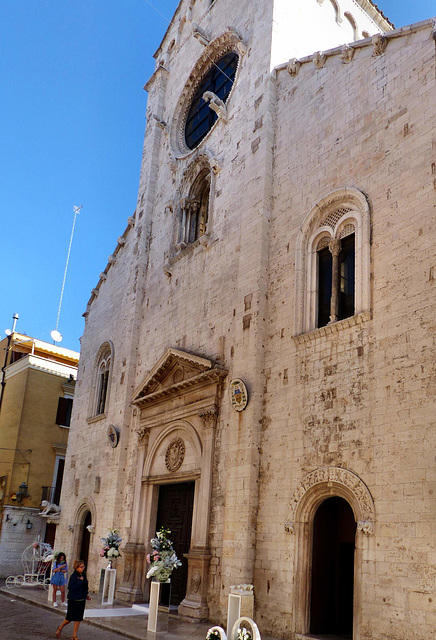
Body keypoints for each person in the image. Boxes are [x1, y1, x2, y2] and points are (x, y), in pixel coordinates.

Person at [55, 560, 91, 639]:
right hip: (73, 599)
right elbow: (71, 587)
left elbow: (85, 585)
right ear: (77, 567)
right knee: (70, 618)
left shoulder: (83, 575)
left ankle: (74, 635)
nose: (83, 568)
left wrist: (87, 594)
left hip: (81, 599)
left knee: (78, 618)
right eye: (81, 567)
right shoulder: (73, 576)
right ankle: (60, 627)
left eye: (83, 567)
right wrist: (80, 581)